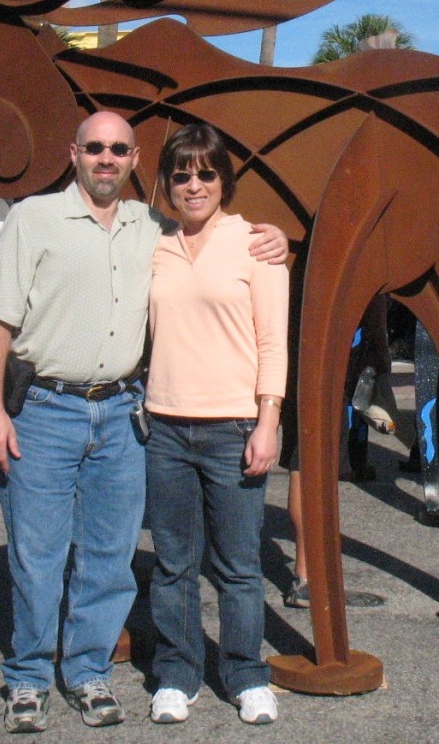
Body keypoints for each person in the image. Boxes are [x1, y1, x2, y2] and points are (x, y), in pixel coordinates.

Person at [0, 111, 287, 734]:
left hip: (135, 415)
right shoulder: (48, 221)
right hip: (68, 412)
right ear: (75, 153)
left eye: (118, 148)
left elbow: (269, 331)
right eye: (94, 147)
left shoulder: (187, 234)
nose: (106, 158)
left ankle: (103, 672)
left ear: (133, 157)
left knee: (117, 556)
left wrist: (278, 237)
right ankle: (34, 678)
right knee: (47, 555)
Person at [144, 124, 288, 726]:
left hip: (234, 425)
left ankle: (246, 673)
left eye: (206, 172)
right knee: (174, 562)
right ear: (168, 184)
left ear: (224, 179)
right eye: (181, 174)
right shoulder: (153, 245)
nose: (194, 184)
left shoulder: (255, 243)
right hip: (165, 427)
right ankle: (178, 673)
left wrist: (268, 419)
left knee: (238, 564)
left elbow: (272, 341)